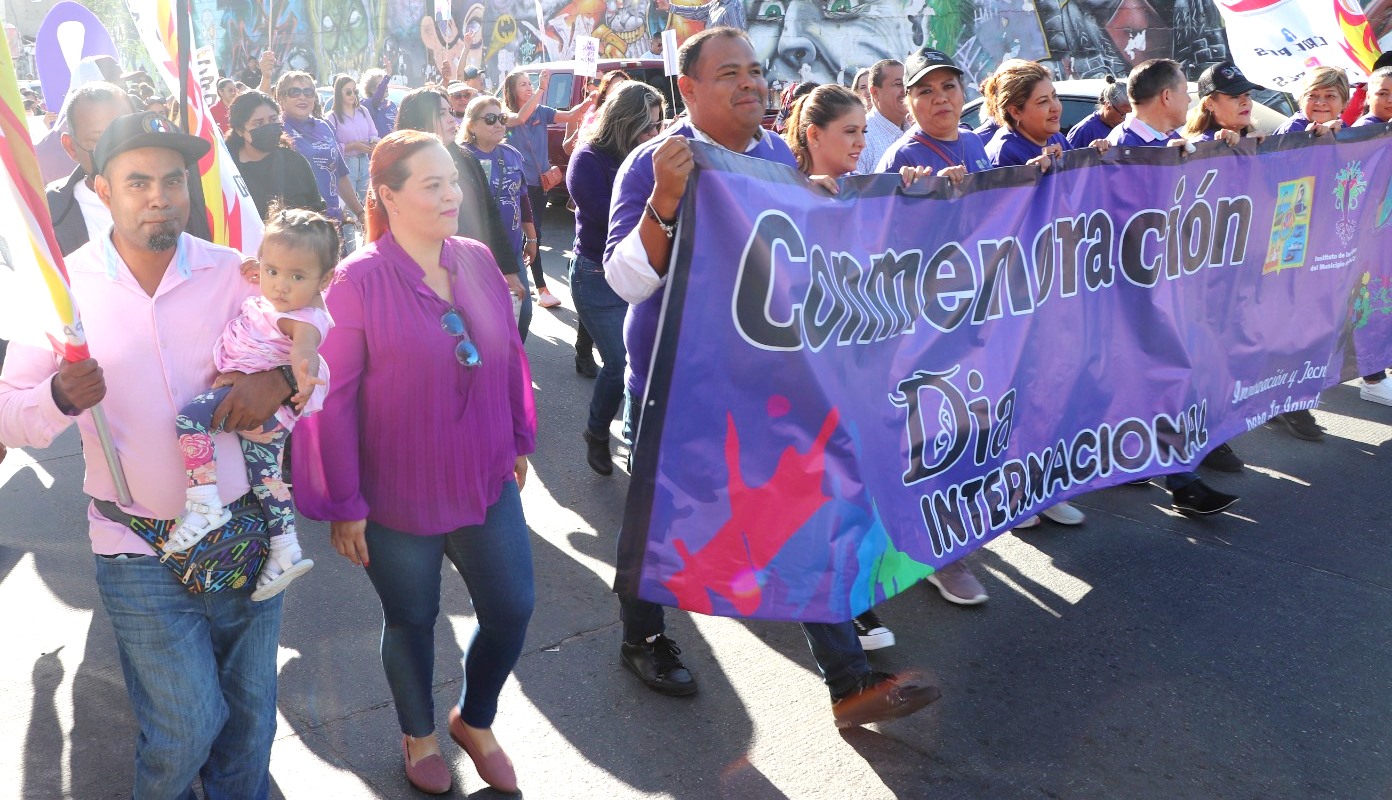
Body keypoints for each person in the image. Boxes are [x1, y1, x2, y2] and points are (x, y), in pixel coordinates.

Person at [604, 27, 940, 727]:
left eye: (756, 71)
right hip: (676, 390)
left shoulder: (774, 160)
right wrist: (665, 200)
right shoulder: (655, 162)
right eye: (730, 73)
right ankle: (643, 639)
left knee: (809, 521)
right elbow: (626, 281)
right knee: (661, 525)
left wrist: (891, 204)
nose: (752, 83)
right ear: (688, 88)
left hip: (768, 391)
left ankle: (849, 684)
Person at [0, 110, 293, 797]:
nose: (159, 195)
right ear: (102, 189)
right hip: (135, 542)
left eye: (172, 180)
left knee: (250, 721)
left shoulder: (236, 273)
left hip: (245, 528)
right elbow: (9, 414)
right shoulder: (62, 291)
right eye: (138, 181)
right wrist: (59, 397)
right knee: (185, 726)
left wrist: (281, 380)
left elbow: (317, 354)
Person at [293, 130, 537, 796]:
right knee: (412, 618)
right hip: (396, 493)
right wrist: (344, 503)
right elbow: (332, 402)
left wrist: (518, 438)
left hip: (485, 473)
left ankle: (474, 720)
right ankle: (419, 736)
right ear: (389, 195)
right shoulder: (356, 282)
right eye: (434, 185)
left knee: (512, 606)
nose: (453, 194)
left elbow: (508, 355)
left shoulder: (477, 259)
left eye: (453, 180)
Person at [873, 48, 999, 604]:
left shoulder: (973, 142)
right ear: (909, 101)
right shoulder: (903, 157)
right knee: (932, 440)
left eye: (948, 87)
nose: (940, 98)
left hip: (981, 314)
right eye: (925, 90)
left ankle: (960, 532)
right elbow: (880, 244)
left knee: (973, 433)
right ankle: (939, 557)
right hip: (925, 328)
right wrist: (918, 199)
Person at [1104, 59, 1243, 514]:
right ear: (1166, 96)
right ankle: (1183, 482)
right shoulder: (1121, 148)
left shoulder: (1174, 143)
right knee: (1164, 379)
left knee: (1163, 381)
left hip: (1172, 287)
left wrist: (1222, 150)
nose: (1188, 101)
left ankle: (1148, 463)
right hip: (1135, 293)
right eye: (1185, 92)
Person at [569, 81, 664, 479]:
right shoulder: (588, 158)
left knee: (644, 361)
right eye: (647, 126)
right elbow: (613, 220)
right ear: (624, 121)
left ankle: (633, 438)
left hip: (644, 274)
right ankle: (596, 432)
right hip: (596, 275)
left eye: (658, 125)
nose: (654, 133)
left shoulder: (651, 155)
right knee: (619, 361)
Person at [393, 87, 527, 312]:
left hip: (472, 269)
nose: (451, 119)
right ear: (419, 119)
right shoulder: (398, 165)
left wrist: (508, 269)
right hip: (420, 280)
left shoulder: (466, 158)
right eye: (441, 113)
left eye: (450, 111)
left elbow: (489, 213)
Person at [501, 70, 593, 309]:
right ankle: (541, 287)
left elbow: (571, 115)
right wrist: (542, 88)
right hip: (517, 185)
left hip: (541, 183)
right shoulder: (505, 115)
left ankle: (523, 279)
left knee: (533, 233)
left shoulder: (541, 111)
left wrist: (591, 99)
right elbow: (520, 118)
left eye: (530, 83)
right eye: (523, 84)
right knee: (533, 233)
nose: (529, 87)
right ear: (512, 90)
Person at [462, 94, 541, 342]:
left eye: (502, 118)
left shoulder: (512, 154)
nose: (498, 124)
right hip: (476, 253)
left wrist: (532, 238)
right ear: (471, 125)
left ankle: (512, 360)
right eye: (490, 119)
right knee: (481, 320)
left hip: (512, 250)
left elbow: (523, 198)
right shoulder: (462, 157)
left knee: (522, 314)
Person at [276, 71, 366, 247]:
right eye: (294, 92)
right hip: (298, 228)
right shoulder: (277, 129)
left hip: (331, 222)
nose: (302, 97)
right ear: (281, 98)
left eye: (308, 92)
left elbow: (340, 175)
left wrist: (360, 213)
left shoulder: (324, 126)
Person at [46, 82, 135, 256]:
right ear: (71, 147)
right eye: (99, 141)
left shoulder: (179, 191)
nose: (117, 149)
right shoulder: (50, 211)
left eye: (126, 135)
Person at [1350, 66, 1392, 407]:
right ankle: (1373, 378)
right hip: (1370, 242)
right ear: (1368, 97)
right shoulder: (1365, 133)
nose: (1390, 100)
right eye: (1383, 93)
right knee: (1371, 305)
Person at [984, 59, 1108, 169]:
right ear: (1015, 112)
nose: (1056, 107)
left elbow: (1075, 182)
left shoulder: (1056, 137)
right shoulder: (1003, 155)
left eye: (1054, 96)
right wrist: (1029, 175)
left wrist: (1094, 156)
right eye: (1042, 101)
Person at [228, 91, 329, 220]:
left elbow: (317, 211)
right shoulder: (228, 170)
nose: (268, 126)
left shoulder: (295, 162)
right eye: (258, 123)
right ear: (240, 130)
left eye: (273, 119)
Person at [327, 73, 380, 213]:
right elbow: (330, 147)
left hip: (365, 162)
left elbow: (374, 133)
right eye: (348, 91)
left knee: (372, 206)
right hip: (346, 165)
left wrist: (373, 142)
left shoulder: (363, 111)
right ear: (338, 93)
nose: (353, 95)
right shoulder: (331, 117)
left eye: (355, 91)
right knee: (348, 209)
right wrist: (353, 146)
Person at [1182, 62, 1264, 143]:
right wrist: (1218, 147)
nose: (1245, 102)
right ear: (1210, 104)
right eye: (1234, 96)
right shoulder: (1201, 146)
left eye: (1247, 94)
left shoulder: (1253, 138)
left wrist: (1258, 147)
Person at [855, 59, 907, 173]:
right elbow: (852, 184)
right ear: (875, 92)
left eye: (907, 84)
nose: (905, 91)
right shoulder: (860, 138)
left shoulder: (917, 130)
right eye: (898, 84)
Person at [1066, 75, 1129, 149]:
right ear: (1107, 105)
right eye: (1123, 114)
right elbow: (1068, 155)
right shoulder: (1084, 131)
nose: (1125, 119)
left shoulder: (1126, 128)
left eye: (1130, 115)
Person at [361, 63, 400, 137]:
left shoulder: (391, 104)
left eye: (386, 84)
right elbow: (377, 98)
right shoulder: (369, 104)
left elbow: (398, 125)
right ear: (372, 90)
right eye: (382, 85)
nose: (386, 87)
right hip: (378, 143)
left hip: (392, 142)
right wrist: (387, 76)